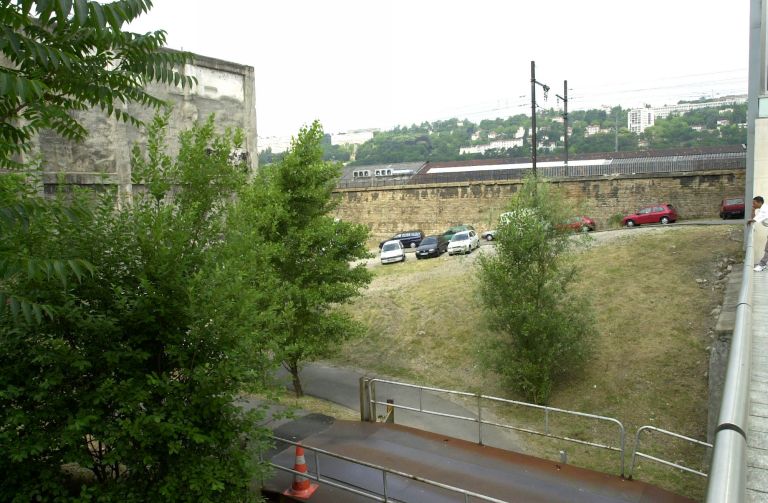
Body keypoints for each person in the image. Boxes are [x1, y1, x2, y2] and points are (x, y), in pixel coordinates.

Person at [748, 195, 768, 272]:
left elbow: (753, 220)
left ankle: (762, 265)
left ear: (759, 202)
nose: (753, 205)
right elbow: (754, 218)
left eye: (754, 203)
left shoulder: (764, 210)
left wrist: (750, 219)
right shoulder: (762, 209)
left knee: (767, 249)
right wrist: (753, 210)